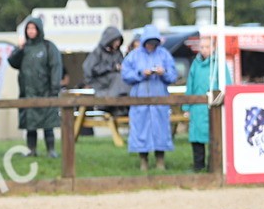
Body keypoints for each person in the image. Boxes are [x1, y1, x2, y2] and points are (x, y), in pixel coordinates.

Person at [121, 24, 178, 171]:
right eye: (149, 41)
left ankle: (160, 161)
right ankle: (143, 161)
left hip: (160, 99)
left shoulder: (164, 54)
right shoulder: (134, 55)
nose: (151, 44)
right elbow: (125, 74)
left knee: (161, 129)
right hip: (140, 100)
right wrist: (141, 74)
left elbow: (173, 74)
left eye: (154, 41)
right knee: (141, 129)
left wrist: (163, 72)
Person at [7, 18, 63, 157]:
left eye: (33, 28)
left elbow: (56, 67)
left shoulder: (48, 47)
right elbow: (12, 62)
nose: (31, 31)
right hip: (28, 92)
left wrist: (55, 88)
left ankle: (51, 150)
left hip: (45, 92)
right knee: (30, 124)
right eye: (28, 29)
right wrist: (19, 49)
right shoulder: (23, 48)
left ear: (39, 30)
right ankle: (31, 150)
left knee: (47, 123)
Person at [183, 37, 231, 172]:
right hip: (197, 107)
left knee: (214, 136)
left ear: (213, 48)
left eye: (207, 47)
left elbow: (227, 83)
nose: (204, 50)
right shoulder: (195, 64)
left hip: (214, 107)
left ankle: (214, 165)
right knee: (196, 138)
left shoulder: (219, 64)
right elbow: (190, 85)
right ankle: (198, 166)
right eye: (202, 47)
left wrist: (226, 103)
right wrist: (187, 107)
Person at [83, 26, 130, 110]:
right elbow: (90, 69)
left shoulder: (117, 53)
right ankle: (109, 102)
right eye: (116, 41)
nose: (118, 43)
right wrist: (111, 67)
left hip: (115, 83)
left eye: (119, 41)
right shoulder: (98, 52)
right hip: (99, 81)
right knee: (117, 77)